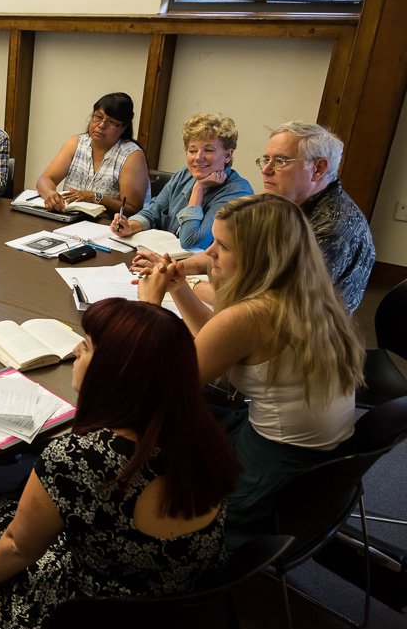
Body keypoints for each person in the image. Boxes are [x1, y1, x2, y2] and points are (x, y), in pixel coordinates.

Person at [0, 298, 238, 629]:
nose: (76, 350)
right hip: (186, 613)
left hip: (90, 626)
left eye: (87, 345)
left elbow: (17, 546)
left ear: (117, 374)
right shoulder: (203, 435)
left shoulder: (75, 459)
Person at [138, 194, 365, 548]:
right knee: (181, 422)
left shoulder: (251, 315)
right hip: (319, 458)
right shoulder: (308, 290)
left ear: (260, 257)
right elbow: (218, 338)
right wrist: (179, 287)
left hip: (276, 463)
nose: (210, 252)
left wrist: (148, 309)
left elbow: (169, 387)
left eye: (222, 246)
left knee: (146, 418)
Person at [132, 121, 375, 313]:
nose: (266, 170)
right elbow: (229, 251)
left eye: (280, 161)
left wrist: (188, 284)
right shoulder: (287, 204)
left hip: (307, 347)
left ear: (319, 168)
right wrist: (176, 268)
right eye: (266, 160)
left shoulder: (334, 226)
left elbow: (266, 301)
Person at [111, 113, 253, 250]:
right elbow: (153, 212)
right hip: (163, 258)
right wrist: (130, 226)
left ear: (228, 155)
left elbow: (191, 241)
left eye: (208, 150)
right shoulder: (184, 175)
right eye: (192, 151)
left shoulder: (237, 192)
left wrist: (199, 188)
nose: (198, 157)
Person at [33, 92, 150, 215]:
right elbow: (45, 179)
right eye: (98, 117)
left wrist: (97, 198)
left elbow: (133, 209)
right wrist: (49, 194)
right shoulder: (76, 143)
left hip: (108, 227)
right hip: (69, 220)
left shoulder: (132, 155)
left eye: (110, 122)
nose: (101, 125)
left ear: (123, 127)